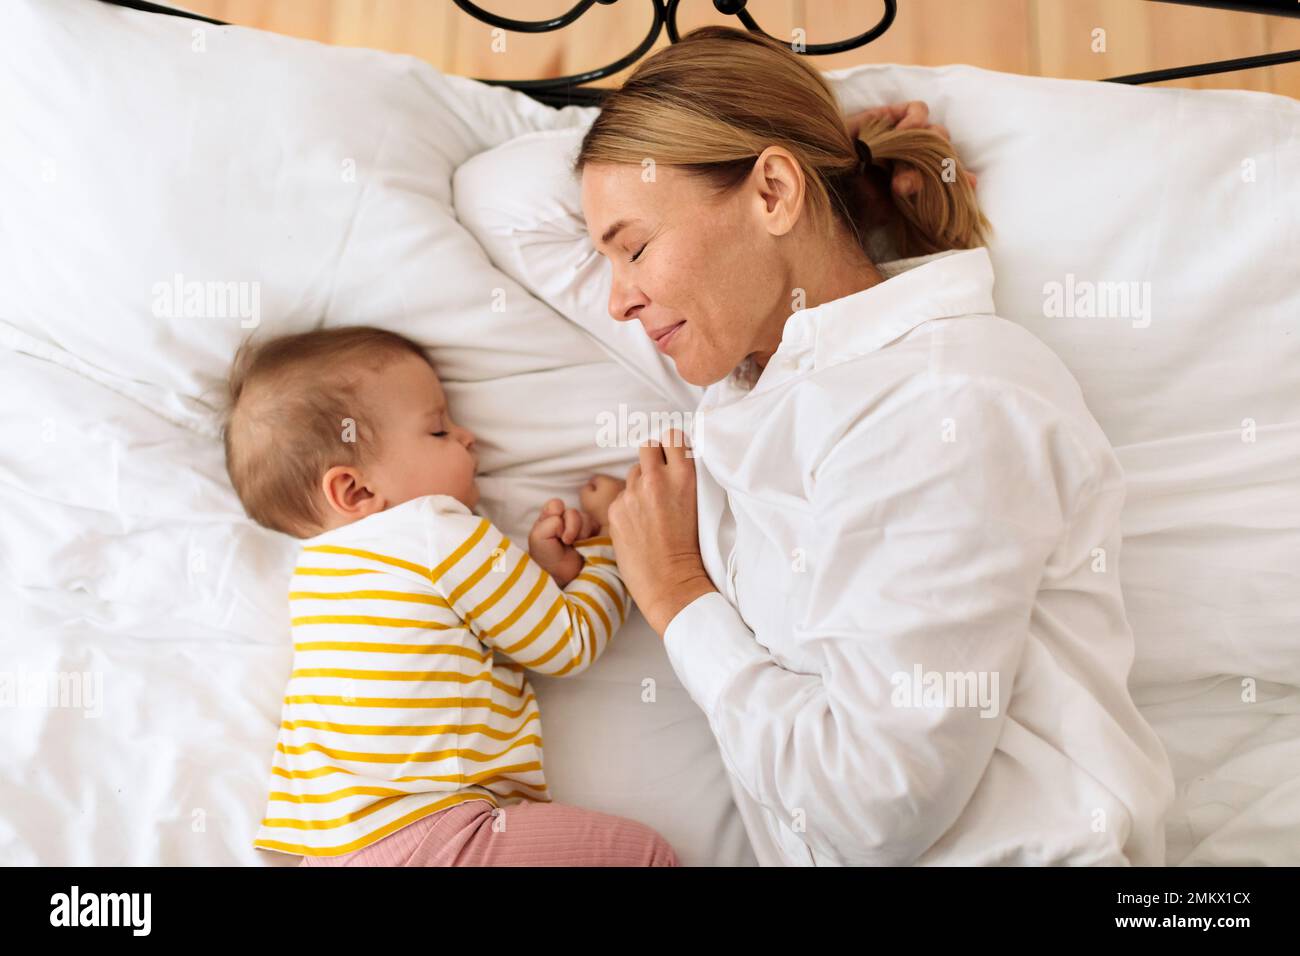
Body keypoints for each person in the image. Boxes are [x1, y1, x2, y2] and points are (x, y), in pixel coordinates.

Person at [577, 26, 1175, 865]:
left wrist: (678, 597)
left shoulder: (943, 404)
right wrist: (848, 162)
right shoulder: (753, 373)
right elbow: (495, 198)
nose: (615, 302)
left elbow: (875, 803)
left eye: (633, 247)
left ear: (773, 190)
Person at [222, 325, 676, 866]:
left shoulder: (317, 577)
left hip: (330, 850)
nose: (467, 437)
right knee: (648, 859)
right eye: (438, 430)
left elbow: (461, 650)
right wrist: (608, 542)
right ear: (356, 490)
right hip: (438, 831)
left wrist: (544, 577)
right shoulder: (438, 530)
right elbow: (567, 643)